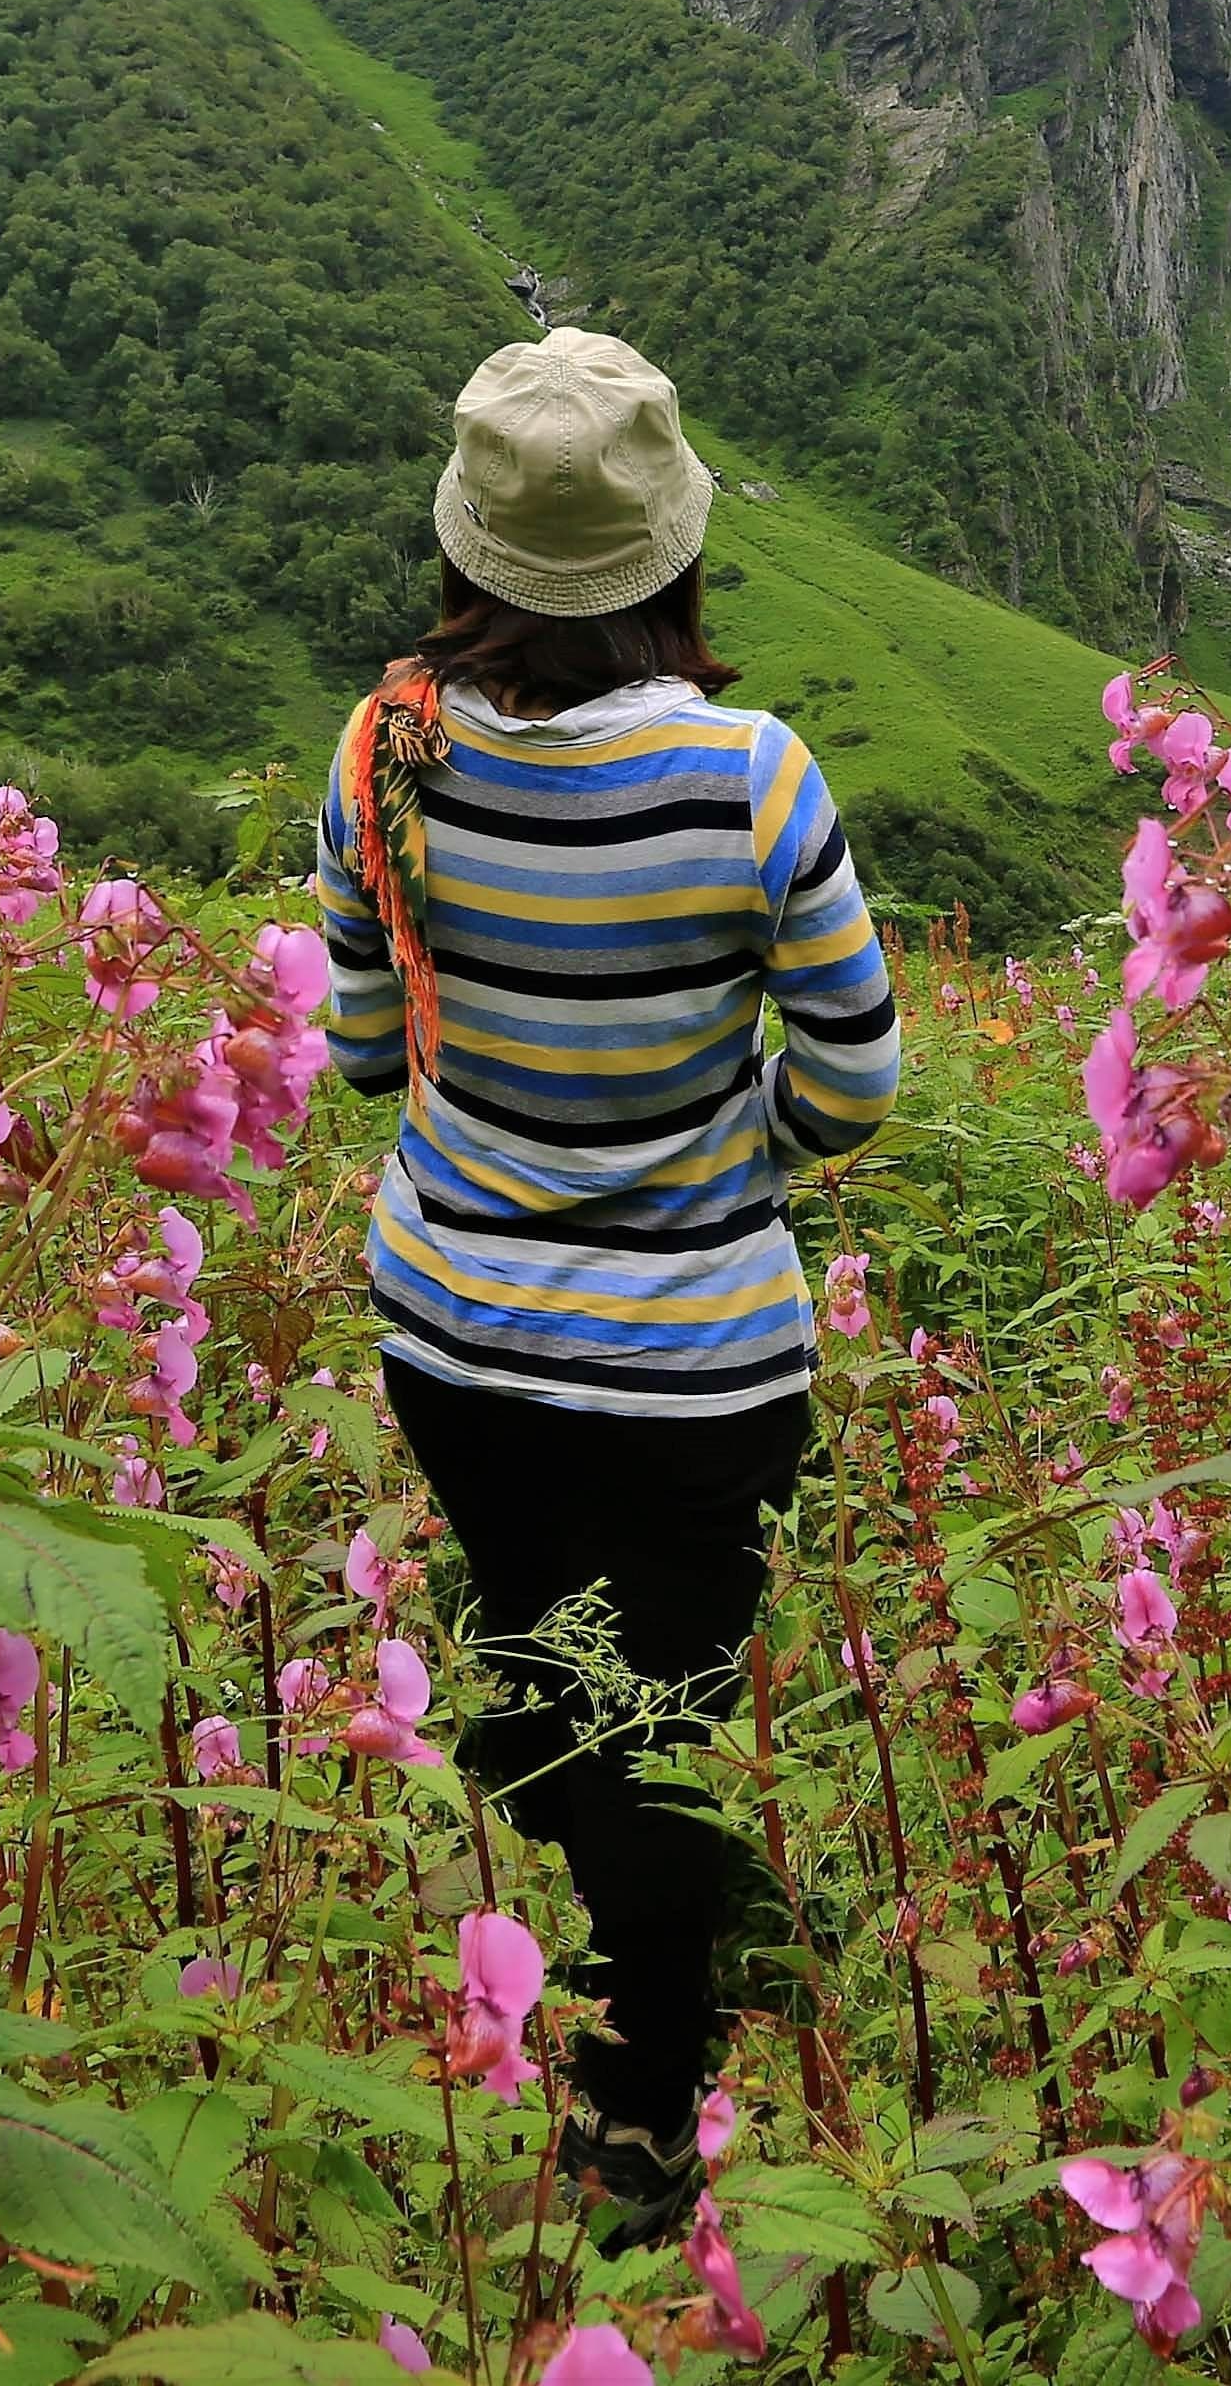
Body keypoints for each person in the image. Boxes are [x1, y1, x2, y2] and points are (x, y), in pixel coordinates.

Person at [313, 330, 895, 2237]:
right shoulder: (754, 775)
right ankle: (649, 2093)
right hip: (700, 1361)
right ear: (672, 556)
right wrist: (727, 1142)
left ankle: (617, 1905)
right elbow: (854, 1083)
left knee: (548, 1652)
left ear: (473, 548)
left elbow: (370, 1053)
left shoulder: (385, 746)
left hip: (457, 1336)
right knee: (673, 1704)